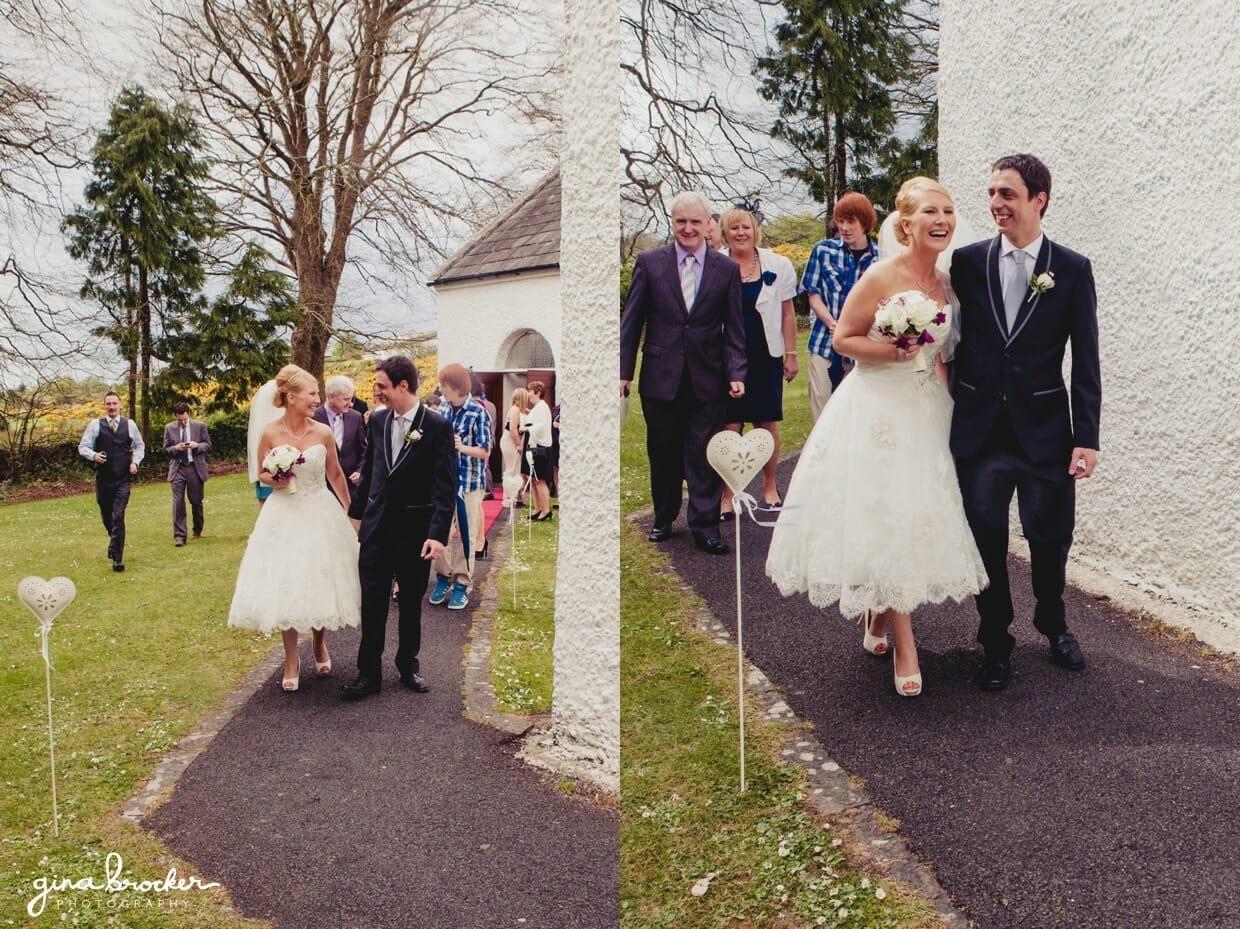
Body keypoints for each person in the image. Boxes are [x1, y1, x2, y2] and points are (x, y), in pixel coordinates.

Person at [766, 177, 989, 698]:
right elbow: (844, 339)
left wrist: (946, 406)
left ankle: (878, 616)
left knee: (911, 521)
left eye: (950, 211)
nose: (943, 220)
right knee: (886, 517)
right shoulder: (879, 275)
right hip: (874, 407)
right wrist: (892, 352)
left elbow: (937, 355)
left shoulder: (946, 282)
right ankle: (906, 646)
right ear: (905, 222)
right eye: (931, 211)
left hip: (922, 408)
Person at [949, 154, 1101, 692]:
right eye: (991, 192)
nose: (995, 204)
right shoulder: (965, 263)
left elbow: (1086, 358)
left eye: (1008, 194)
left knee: (1051, 535)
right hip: (980, 432)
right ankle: (994, 640)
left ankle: (1053, 623)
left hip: (1045, 434)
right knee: (985, 537)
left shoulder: (1073, 268)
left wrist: (1087, 438)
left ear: (1039, 199)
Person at [620, 190, 746, 555]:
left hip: (708, 377)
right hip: (660, 377)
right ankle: (663, 517)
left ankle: (705, 526)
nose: (688, 228)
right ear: (672, 223)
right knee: (663, 452)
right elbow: (631, 323)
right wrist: (623, 372)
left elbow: (734, 329)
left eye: (695, 221)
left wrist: (736, 372)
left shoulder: (725, 270)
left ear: (708, 224)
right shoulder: (650, 262)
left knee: (704, 454)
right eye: (681, 222)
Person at [228, 365, 360, 692]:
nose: (317, 398)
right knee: (286, 584)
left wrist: (351, 513)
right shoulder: (271, 433)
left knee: (318, 579)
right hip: (283, 514)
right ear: (291, 397)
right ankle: (291, 658)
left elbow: (336, 476)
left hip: (319, 512)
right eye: (312, 393)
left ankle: (318, 643)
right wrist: (278, 477)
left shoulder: (323, 433)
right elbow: (261, 473)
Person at [342, 356, 456, 701]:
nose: (376, 391)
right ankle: (368, 674)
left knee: (409, 604)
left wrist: (436, 534)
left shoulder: (435, 426)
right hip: (376, 531)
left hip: (415, 533)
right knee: (373, 604)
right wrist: (355, 516)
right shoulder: (376, 421)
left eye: (381, 385)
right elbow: (371, 469)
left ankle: (408, 665)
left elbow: (444, 485)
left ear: (402, 386)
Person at [717, 206, 798, 517]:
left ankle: (769, 485)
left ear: (755, 231)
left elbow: (788, 313)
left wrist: (791, 355)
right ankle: (728, 494)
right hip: (728, 356)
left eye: (746, 227)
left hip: (766, 354)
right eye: (734, 228)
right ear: (725, 233)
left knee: (765, 422)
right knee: (730, 424)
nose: (741, 233)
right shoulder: (716, 264)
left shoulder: (777, 264)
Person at [801, 193, 880, 423]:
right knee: (823, 414)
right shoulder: (823, 250)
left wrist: (852, 330)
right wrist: (832, 323)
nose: (844, 228)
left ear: (865, 223)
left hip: (861, 346)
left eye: (850, 222)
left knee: (855, 416)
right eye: (840, 222)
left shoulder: (879, 260)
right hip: (824, 343)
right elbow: (813, 294)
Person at [428, 363, 493, 610]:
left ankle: (462, 583)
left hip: (468, 483)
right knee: (439, 530)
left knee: (466, 535)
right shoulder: (443, 409)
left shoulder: (478, 412)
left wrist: (461, 446)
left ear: (455, 387)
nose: (441, 390)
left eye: (444, 385)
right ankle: (443, 576)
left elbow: (485, 450)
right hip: (443, 481)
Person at [78, 391, 145, 572]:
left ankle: (117, 558)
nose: (112, 407)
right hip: (103, 480)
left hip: (122, 480)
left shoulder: (129, 425)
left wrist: (135, 462)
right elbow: (82, 447)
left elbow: (139, 446)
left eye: (115, 403)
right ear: (104, 405)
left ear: (120, 405)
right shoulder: (95, 425)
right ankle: (114, 541)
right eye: (108, 404)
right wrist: (94, 455)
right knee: (108, 517)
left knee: (118, 517)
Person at [163, 402, 211, 546]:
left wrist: (197, 446)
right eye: (180, 420)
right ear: (175, 417)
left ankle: (197, 529)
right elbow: (166, 449)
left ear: (188, 414)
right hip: (178, 468)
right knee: (178, 502)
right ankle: (179, 536)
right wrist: (176, 448)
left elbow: (208, 444)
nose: (183, 422)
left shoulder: (199, 426)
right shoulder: (169, 428)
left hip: (194, 468)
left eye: (184, 419)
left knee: (196, 501)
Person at [312, 374, 367, 497]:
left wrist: (360, 471)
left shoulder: (356, 417)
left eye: (351, 399)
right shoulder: (313, 418)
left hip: (350, 488)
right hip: (322, 488)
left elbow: (364, 451)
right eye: (346, 399)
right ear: (331, 397)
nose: (350, 404)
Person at [520, 381, 554, 521]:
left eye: (530, 391)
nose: (528, 394)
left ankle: (546, 510)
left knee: (539, 479)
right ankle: (538, 507)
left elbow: (542, 425)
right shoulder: (537, 408)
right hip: (533, 445)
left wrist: (527, 429)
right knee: (533, 478)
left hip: (540, 448)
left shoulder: (542, 407)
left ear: (538, 393)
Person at [501, 388, 530, 504]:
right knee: (512, 468)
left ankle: (515, 495)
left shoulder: (520, 410)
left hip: (514, 440)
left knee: (516, 467)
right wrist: (518, 444)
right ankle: (509, 497)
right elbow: (513, 429)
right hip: (510, 441)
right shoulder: (515, 410)